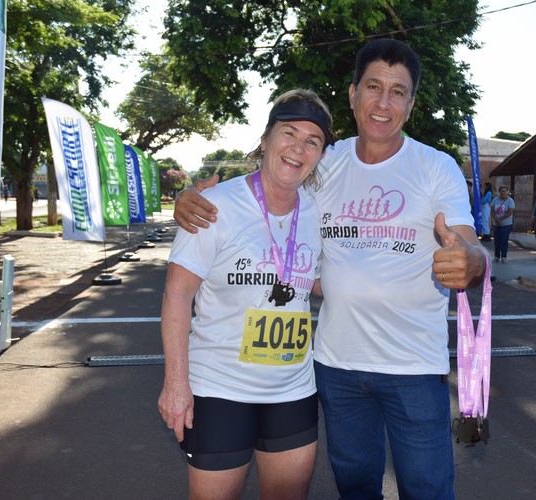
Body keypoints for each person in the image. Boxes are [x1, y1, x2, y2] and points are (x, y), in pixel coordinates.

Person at [173, 39, 487, 499]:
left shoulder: (435, 167)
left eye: (398, 92)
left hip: (414, 366)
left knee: (427, 489)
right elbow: (267, 197)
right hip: (335, 368)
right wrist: (190, 199)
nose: (383, 103)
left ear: (411, 103)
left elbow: (469, 247)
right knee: (355, 487)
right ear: (352, 93)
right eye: (373, 87)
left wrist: (471, 262)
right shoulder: (323, 163)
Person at [158, 89, 334, 500]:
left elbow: (321, 279)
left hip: (293, 389)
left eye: (313, 141)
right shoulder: (215, 205)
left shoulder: (317, 210)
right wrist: (175, 384)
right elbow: (177, 294)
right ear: (265, 139)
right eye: (289, 133)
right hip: (220, 390)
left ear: (321, 156)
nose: (298, 148)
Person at [490, 186, 515, 262]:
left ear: (507, 192)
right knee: (496, 241)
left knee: (504, 240)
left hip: (506, 224)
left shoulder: (510, 201)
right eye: (501, 191)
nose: (503, 193)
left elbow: (510, 212)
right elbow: (492, 210)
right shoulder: (495, 200)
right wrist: (496, 219)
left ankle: (504, 256)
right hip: (496, 224)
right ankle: (496, 256)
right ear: (499, 192)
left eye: (504, 191)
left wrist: (500, 219)